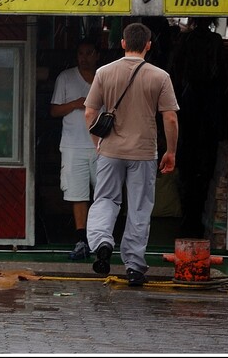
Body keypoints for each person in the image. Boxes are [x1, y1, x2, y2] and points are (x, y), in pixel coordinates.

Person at [84, 22, 179, 286]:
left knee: (105, 200)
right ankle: (135, 266)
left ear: (123, 43)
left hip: (111, 151)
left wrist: (98, 143)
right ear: (148, 45)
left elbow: (90, 112)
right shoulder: (160, 77)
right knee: (138, 208)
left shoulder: (104, 72)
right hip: (144, 152)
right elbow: (170, 118)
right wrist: (171, 151)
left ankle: (102, 240)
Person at [168, 17, 226, 237]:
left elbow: (174, 72)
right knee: (205, 169)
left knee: (187, 168)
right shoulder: (216, 41)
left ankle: (188, 218)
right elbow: (221, 74)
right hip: (209, 109)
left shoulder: (185, 41)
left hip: (187, 106)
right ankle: (197, 218)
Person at [50, 38, 101, 260]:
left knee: (104, 195)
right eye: (81, 53)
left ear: (97, 55)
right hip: (73, 145)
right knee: (78, 195)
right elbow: (54, 111)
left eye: (89, 52)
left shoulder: (105, 76)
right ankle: (82, 240)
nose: (85, 57)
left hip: (102, 146)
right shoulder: (66, 77)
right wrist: (76, 103)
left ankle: (101, 238)